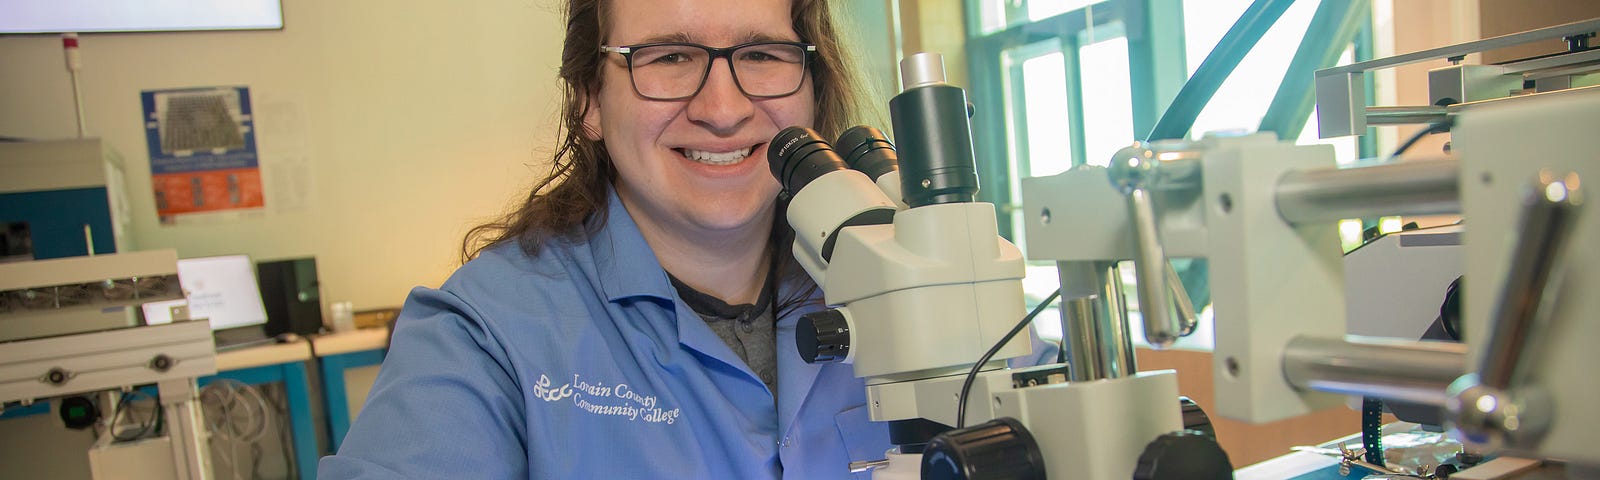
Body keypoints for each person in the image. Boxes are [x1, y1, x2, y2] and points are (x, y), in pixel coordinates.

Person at [319, 0, 890, 477]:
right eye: (669, 56)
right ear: (590, 100)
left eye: (761, 54)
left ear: (813, 86)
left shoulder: (894, 275)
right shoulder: (486, 335)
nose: (723, 110)